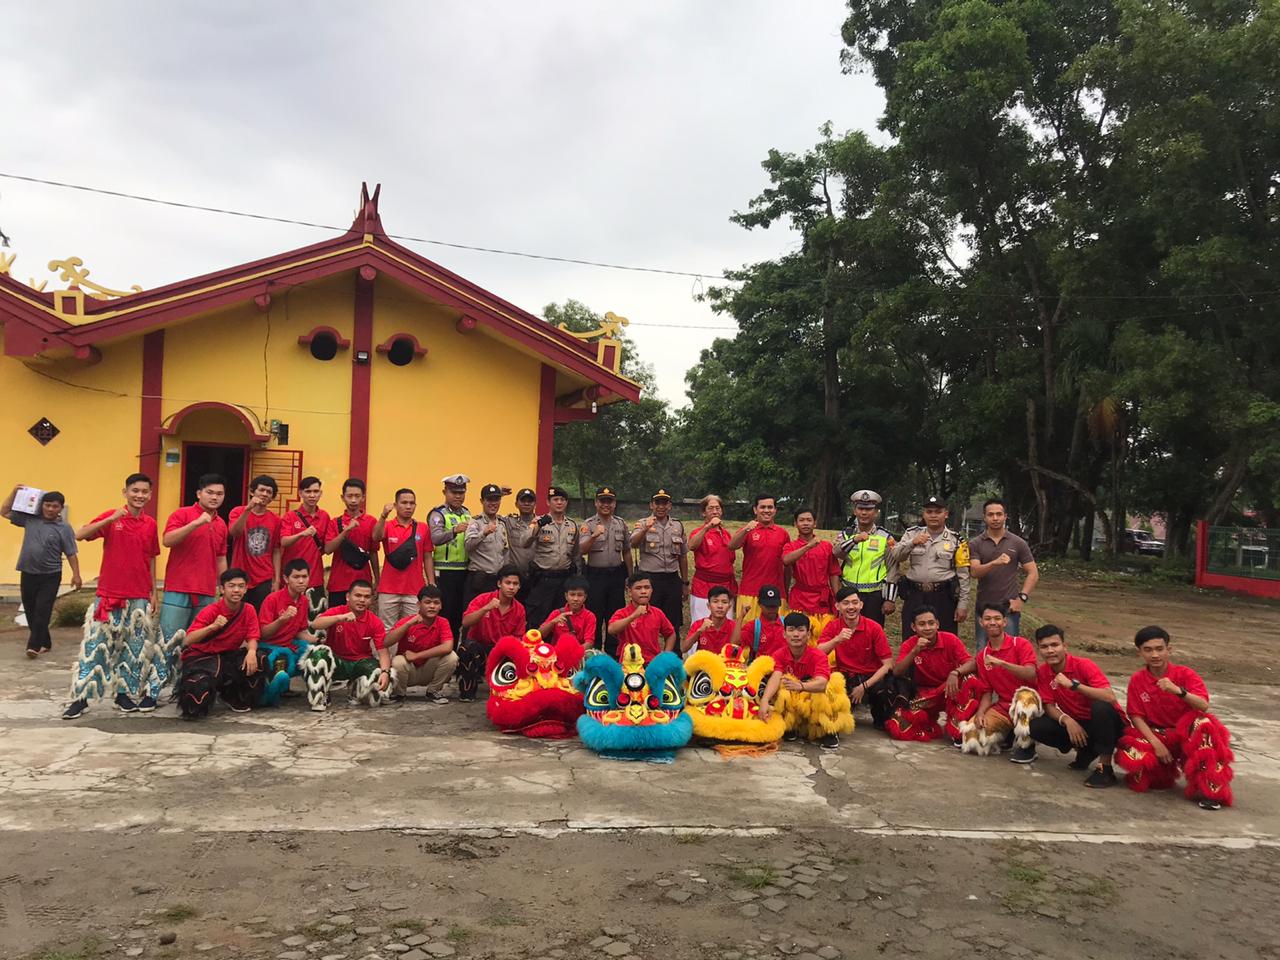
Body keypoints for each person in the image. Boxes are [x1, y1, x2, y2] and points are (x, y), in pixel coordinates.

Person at [62, 474, 161, 719]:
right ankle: (81, 697)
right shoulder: (112, 516)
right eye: (135, 490)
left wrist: (153, 592)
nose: (139, 495)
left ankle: (123, 694)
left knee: (134, 649)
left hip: (138, 596)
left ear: (149, 494)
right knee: (96, 646)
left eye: (144, 492)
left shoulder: (150, 523)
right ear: (125, 492)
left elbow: (151, 557)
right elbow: (80, 534)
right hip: (109, 594)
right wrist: (111, 518)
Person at [1115, 626, 1235, 810]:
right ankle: (1162, 774)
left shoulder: (1185, 674)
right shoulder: (1137, 680)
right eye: (1148, 650)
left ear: (1168, 650)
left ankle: (1211, 792)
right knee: (1133, 751)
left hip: (1188, 734)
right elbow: (1136, 716)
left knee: (1205, 725)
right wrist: (1156, 744)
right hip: (1160, 735)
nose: (1155, 655)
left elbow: (1203, 705)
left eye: (1159, 649)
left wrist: (1178, 691)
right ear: (1139, 652)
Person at [1024, 625, 1123, 786]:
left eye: (1055, 645)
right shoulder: (1043, 672)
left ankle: (1105, 768)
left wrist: (1073, 685)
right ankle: (1086, 750)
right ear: (1039, 650)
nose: (1050, 650)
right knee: (1035, 726)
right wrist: (1067, 720)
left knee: (1100, 707)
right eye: (1044, 646)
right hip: (1078, 721)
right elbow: (1048, 705)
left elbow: (1109, 696)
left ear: (1064, 646)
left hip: (1107, 724)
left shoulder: (1084, 665)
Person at [158, 473, 227, 689]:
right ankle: (155, 688)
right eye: (210, 493)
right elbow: (167, 540)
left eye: (220, 494)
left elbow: (221, 557)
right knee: (169, 641)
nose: (215, 497)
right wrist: (196, 523)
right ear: (199, 494)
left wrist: (223, 588)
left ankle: (185, 687)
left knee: (197, 643)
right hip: (178, 588)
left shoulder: (221, 524)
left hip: (206, 592)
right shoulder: (183, 514)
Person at [2, 484, 80, 658]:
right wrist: (14, 492)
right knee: (30, 610)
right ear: (41, 505)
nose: (51, 509)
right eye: (47, 505)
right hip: (28, 571)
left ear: (61, 508)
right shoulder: (31, 519)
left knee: (42, 609)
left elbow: (71, 552)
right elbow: (4, 511)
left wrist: (76, 574)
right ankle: (45, 641)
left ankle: (33, 646)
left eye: (55, 506)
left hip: (51, 575)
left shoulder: (64, 528)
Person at [176, 567, 264, 719]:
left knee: (260, 659)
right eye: (231, 586)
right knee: (196, 703)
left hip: (227, 657)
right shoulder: (211, 610)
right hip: (202, 658)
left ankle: (231, 695)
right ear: (222, 589)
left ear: (246, 589)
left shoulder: (248, 609)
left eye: (241, 586)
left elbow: (253, 636)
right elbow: (188, 639)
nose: (236, 590)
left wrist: (251, 652)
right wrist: (212, 627)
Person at [760, 612, 853, 750]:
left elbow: (822, 683)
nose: (796, 634)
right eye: (791, 630)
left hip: (812, 699)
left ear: (808, 634)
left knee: (831, 687)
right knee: (780, 688)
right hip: (795, 701)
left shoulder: (818, 655)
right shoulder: (779, 654)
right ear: (784, 634)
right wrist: (764, 701)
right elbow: (775, 677)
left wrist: (801, 686)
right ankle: (790, 727)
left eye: (800, 630)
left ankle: (829, 730)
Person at [884, 605, 976, 742]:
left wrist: (955, 673)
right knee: (900, 726)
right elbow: (897, 672)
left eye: (931, 623)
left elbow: (972, 663)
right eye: (922, 624)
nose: (927, 628)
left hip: (949, 689)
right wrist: (915, 651)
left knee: (969, 679)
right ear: (913, 627)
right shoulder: (910, 644)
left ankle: (958, 729)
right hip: (925, 694)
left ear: (937, 624)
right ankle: (931, 725)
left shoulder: (950, 639)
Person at [959, 603, 1038, 755]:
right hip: (1004, 706)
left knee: (1023, 698)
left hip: (1031, 703)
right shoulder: (983, 656)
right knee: (972, 737)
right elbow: (987, 692)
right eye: (988, 619)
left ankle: (1027, 746)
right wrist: (981, 713)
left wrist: (1002, 663)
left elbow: (1031, 674)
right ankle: (1008, 734)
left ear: (1005, 622)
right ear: (981, 622)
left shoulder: (1020, 644)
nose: (993, 622)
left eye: (997, 618)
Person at [303, 580, 393, 711]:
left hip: (359, 662)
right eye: (358, 595)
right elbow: (316, 624)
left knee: (377, 672)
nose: (362, 600)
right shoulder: (338, 611)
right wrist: (340, 618)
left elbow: (383, 650)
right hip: (336, 662)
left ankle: (355, 690)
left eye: (367, 597)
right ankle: (320, 695)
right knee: (318, 655)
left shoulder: (375, 621)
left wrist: (385, 672)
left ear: (372, 600)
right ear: (347, 597)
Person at [891, 496, 971, 636]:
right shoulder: (912, 534)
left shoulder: (956, 540)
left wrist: (962, 604)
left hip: (943, 596)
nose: (933, 515)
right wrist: (912, 543)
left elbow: (963, 575)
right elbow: (897, 556)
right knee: (911, 637)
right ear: (924, 514)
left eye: (938, 512)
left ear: (945, 514)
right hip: (915, 595)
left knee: (945, 639)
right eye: (929, 511)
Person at [817, 587, 894, 729]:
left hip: (871, 677)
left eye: (854, 602)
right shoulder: (833, 626)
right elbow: (818, 654)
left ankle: (880, 717)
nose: (851, 607)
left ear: (861, 605)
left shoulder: (874, 627)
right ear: (837, 606)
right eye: (846, 603)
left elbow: (888, 664)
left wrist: (864, 686)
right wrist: (836, 640)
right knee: (834, 706)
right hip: (846, 675)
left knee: (886, 692)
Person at [968, 498, 1039, 644]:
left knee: (1009, 650)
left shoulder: (1018, 543)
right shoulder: (975, 543)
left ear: (1005, 516)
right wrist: (994, 563)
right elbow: (974, 572)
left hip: (1009, 608)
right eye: (991, 514)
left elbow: (1033, 573)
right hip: (984, 606)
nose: (995, 518)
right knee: (983, 650)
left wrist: (1022, 599)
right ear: (984, 517)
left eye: (999, 514)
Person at [257, 558, 323, 706]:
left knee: (315, 652)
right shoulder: (272, 599)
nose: (301, 581)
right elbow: (263, 633)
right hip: (269, 647)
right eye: (296, 577)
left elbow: (299, 632)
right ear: (286, 579)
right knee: (282, 660)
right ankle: (269, 694)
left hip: (289, 644)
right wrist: (282, 619)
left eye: (304, 577)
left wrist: (317, 641)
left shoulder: (304, 601)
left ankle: (316, 692)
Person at [458, 566, 526, 701]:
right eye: (508, 583)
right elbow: (466, 622)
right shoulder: (483, 599)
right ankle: (468, 690)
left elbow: (519, 637)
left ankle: (508, 690)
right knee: (466, 648)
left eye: (515, 584)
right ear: (499, 584)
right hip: (480, 648)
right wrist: (486, 608)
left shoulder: (519, 609)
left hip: (502, 651)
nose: (511, 587)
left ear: (519, 587)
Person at [629, 489, 688, 636]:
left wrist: (685, 583)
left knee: (673, 624)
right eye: (657, 503)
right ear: (651, 505)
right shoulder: (642, 523)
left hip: (672, 579)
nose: (661, 507)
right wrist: (645, 529)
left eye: (664, 503)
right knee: (648, 623)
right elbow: (633, 543)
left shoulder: (677, 526)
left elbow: (683, 556)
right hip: (650, 580)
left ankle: (673, 656)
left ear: (670, 506)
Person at [579, 485, 631, 651]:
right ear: (596, 503)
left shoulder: (621, 524)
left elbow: (627, 551)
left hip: (616, 576)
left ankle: (613, 653)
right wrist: (594, 536)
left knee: (614, 616)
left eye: (610, 501)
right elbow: (582, 550)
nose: (606, 504)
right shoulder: (588, 525)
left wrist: (630, 577)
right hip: (595, 577)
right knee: (595, 616)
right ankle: (593, 652)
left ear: (614, 503)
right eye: (602, 501)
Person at [835, 490, 897, 627]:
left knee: (872, 634)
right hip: (848, 593)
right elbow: (837, 553)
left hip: (874, 596)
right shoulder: (846, 534)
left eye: (869, 509)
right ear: (854, 511)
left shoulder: (885, 537)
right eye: (860, 508)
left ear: (876, 512)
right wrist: (854, 540)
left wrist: (890, 599)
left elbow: (893, 568)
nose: (864, 513)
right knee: (846, 634)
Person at [387, 584, 457, 703]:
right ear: (419, 604)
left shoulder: (443, 622)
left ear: (441, 606)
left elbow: (447, 646)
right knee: (397, 661)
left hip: (429, 669)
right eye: (427, 602)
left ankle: (433, 691)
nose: (432, 606)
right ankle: (399, 693)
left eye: (436, 603)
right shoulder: (407, 621)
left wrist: (417, 655)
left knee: (452, 657)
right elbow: (387, 641)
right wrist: (408, 625)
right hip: (408, 670)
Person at [373, 488, 431, 629]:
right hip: (388, 589)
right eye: (404, 502)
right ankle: (387, 653)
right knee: (386, 629)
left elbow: (428, 556)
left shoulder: (423, 528)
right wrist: (383, 516)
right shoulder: (387, 525)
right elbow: (376, 537)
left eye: (412, 503)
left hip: (415, 589)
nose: (408, 506)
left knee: (412, 628)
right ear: (395, 505)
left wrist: (431, 582)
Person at [523, 486, 579, 631]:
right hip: (543, 580)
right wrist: (537, 527)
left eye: (562, 499)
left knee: (562, 621)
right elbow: (524, 542)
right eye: (555, 499)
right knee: (538, 619)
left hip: (564, 580)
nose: (559, 502)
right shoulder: (539, 521)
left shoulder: (572, 525)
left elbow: (576, 554)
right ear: (548, 502)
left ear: (566, 502)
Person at [729, 494, 790, 622]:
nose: (766, 510)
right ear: (755, 509)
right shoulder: (748, 530)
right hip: (749, 592)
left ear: (775, 510)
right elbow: (732, 546)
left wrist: (785, 590)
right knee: (747, 635)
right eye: (762, 507)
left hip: (776, 593)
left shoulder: (783, 533)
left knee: (776, 634)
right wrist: (746, 529)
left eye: (770, 507)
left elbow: (787, 565)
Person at [228, 475, 283, 610]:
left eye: (269, 492)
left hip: (264, 576)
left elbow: (276, 550)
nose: (265, 494)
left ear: (272, 498)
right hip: (239, 575)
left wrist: (276, 580)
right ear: (252, 492)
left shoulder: (276, 520)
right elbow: (235, 533)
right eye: (261, 490)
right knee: (236, 615)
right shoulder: (237, 511)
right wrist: (248, 509)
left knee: (260, 616)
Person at [427, 474, 472, 636]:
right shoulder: (438, 514)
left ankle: (453, 655)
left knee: (458, 617)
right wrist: (453, 530)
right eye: (454, 492)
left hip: (464, 572)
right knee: (443, 616)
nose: (458, 496)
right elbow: (435, 538)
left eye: (461, 492)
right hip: (444, 572)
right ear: (445, 492)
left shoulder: (467, 513)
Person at [323, 478, 379, 609]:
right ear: (343, 498)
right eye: (349, 496)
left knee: (360, 624)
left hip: (362, 584)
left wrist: (377, 579)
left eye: (357, 496)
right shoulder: (334, 522)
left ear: (363, 497)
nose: (353, 500)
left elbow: (373, 552)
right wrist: (345, 531)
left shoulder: (371, 521)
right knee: (335, 624)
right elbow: (328, 549)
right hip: (338, 584)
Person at [783, 507, 840, 634]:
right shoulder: (791, 546)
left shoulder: (826, 546)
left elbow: (834, 573)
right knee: (799, 634)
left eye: (809, 520)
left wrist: (838, 597)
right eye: (801, 520)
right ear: (795, 524)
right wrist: (808, 546)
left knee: (822, 634)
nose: (805, 523)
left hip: (822, 599)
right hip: (800, 598)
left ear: (815, 523)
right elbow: (786, 560)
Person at [279, 476, 330, 618]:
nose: (312, 495)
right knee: (290, 620)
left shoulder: (325, 516)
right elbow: (284, 541)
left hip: (315, 577)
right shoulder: (290, 516)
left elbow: (326, 547)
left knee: (314, 620)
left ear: (320, 493)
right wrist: (302, 534)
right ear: (300, 493)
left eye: (316, 491)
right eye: (308, 491)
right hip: (292, 579)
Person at [687, 494, 736, 623]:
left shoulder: (727, 534)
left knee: (725, 626)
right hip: (704, 588)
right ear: (704, 512)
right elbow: (691, 545)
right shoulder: (698, 532)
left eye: (718, 508)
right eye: (711, 508)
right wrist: (708, 527)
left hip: (726, 587)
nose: (715, 512)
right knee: (702, 625)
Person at [607, 572, 676, 662]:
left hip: (652, 663)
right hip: (628, 664)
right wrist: (633, 616)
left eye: (647, 587)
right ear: (629, 591)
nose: (643, 591)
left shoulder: (658, 613)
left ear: (652, 590)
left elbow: (670, 633)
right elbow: (611, 629)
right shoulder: (622, 613)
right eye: (638, 588)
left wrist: (666, 655)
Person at [463, 484, 511, 609]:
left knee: (494, 619)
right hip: (479, 580)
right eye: (489, 500)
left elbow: (505, 551)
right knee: (474, 618)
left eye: (496, 500)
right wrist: (484, 533)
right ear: (482, 501)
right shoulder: (475, 522)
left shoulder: (502, 523)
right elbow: (468, 545)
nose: (493, 503)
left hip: (497, 581)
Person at [539, 576, 597, 649]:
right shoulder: (556, 613)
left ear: (585, 597)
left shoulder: (590, 616)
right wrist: (553, 622)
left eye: (580, 595)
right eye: (572, 595)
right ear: (566, 596)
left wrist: (574, 653)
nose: (575, 599)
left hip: (579, 655)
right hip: (557, 654)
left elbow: (589, 643)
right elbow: (540, 634)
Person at [502, 487, 539, 603]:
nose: (527, 503)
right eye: (523, 501)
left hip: (537, 577)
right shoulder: (509, 521)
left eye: (530, 501)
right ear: (516, 504)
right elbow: (490, 513)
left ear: (535, 504)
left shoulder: (542, 523)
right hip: (516, 577)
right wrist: (499, 493)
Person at [731, 585, 786, 659]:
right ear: (759, 604)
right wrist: (741, 617)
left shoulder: (787, 624)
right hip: (761, 666)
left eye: (774, 606)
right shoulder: (753, 626)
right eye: (768, 606)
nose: (771, 609)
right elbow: (734, 643)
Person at [680, 585, 735, 655]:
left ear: (729, 607)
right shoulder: (699, 624)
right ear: (708, 606)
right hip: (703, 664)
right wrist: (699, 632)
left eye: (724, 602)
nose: (720, 606)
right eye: (715, 601)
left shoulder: (734, 626)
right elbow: (683, 648)